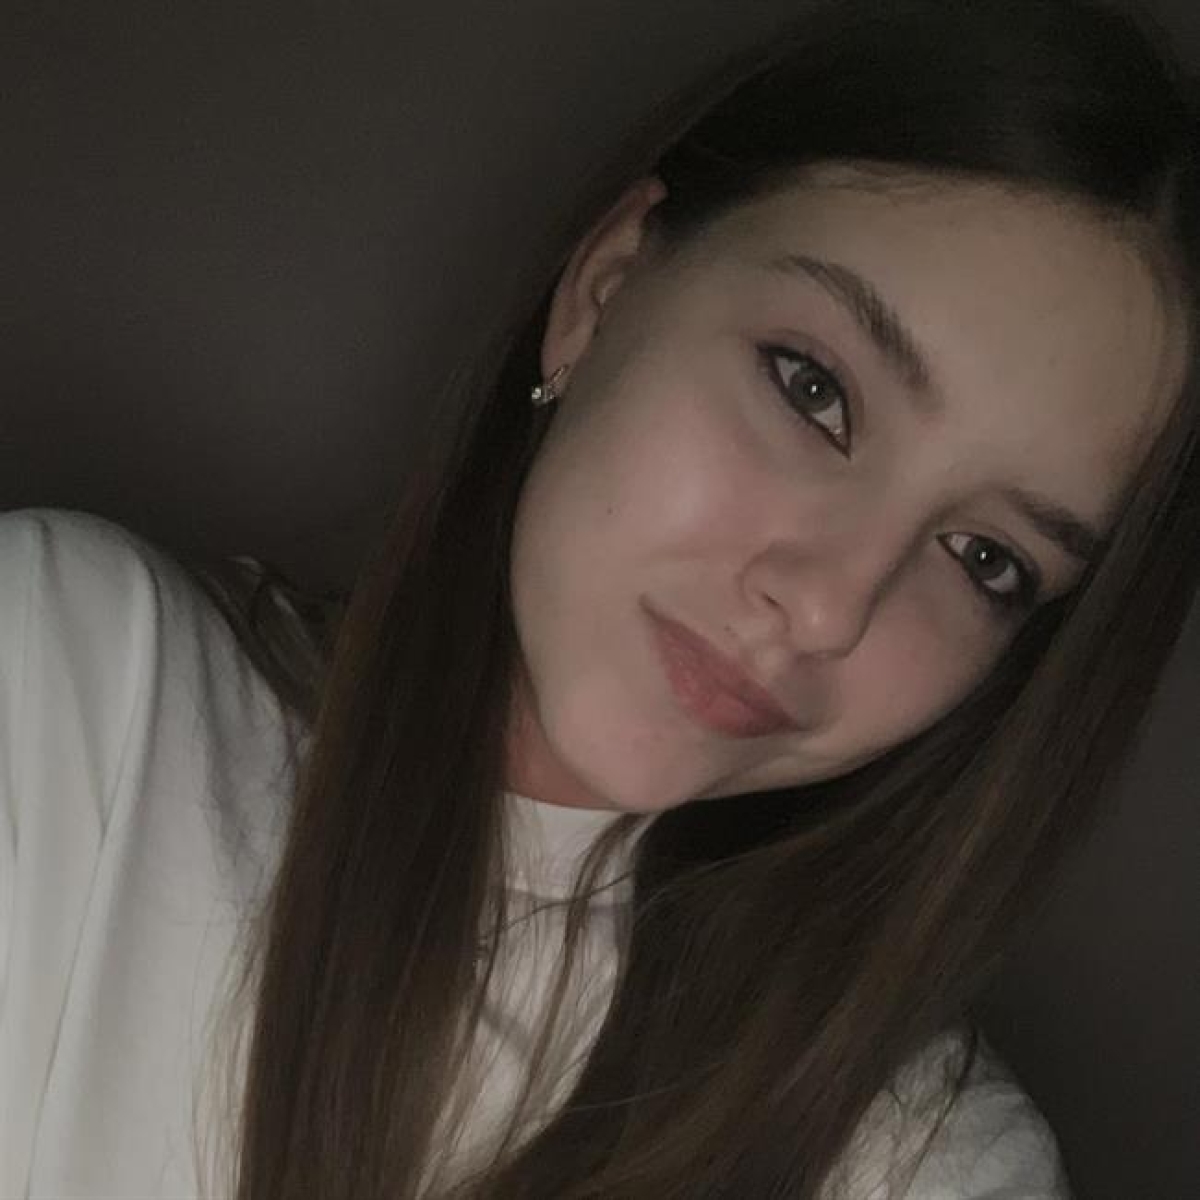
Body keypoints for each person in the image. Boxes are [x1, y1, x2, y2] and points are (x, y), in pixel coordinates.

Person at [1, 0, 1197, 1196]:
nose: (829, 607)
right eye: (813, 390)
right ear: (606, 284)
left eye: (986, 559)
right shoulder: (75, 692)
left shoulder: (924, 1163)